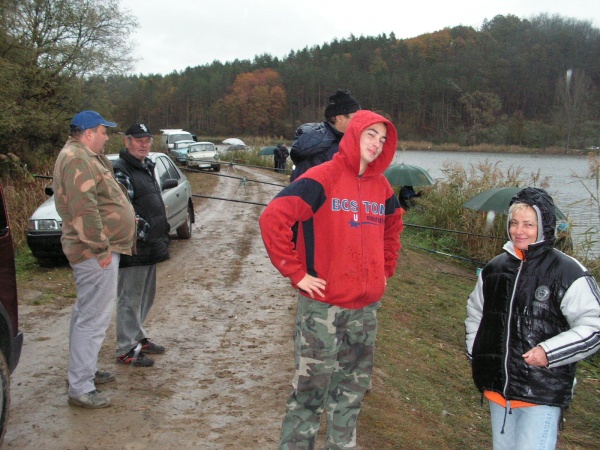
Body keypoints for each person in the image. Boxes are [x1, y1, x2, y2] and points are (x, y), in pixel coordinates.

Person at [259, 110, 403, 449]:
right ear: (353, 134)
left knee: (351, 393)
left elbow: (393, 227)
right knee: (309, 394)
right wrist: (296, 272)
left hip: (364, 312)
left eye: (382, 139)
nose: (376, 143)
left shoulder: (382, 187)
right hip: (322, 310)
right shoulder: (322, 177)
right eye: (370, 135)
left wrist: (385, 269)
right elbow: (273, 218)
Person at [465, 187, 600, 450]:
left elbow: (594, 326)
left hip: (541, 392)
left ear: (544, 227)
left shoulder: (568, 272)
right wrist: (476, 352)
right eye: (514, 223)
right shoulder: (494, 269)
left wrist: (549, 352)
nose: (519, 231)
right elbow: (475, 313)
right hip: (498, 390)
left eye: (528, 224)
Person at [53, 110, 136, 408]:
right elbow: (84, 210)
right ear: (88, 133)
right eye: (103, 131)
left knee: (85, 314)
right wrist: (100, 249)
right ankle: (81, 387)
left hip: (95, 250)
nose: (106, 136)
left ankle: (83, 371)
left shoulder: (85, 156)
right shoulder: (78, 159)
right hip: (94, 251)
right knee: (93, 319)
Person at [112, 123, 169, 367]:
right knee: (130, 298)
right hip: (134, 245)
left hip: (151, 243)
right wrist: (144, 231)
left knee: (147, 294)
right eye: (138, 140)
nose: (144, 144)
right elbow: (123, 209)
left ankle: (138, 336)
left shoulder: (146, 165)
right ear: (127, 142)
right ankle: (125, 348)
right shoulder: (121, 169)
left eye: (147, 140)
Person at [289, 89, 360, 182]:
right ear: (340, 118)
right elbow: (304, 187)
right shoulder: (317, 147)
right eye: (355, 118)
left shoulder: (345, 141)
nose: (358, 122)